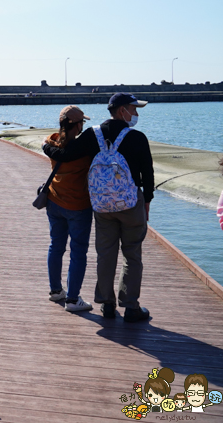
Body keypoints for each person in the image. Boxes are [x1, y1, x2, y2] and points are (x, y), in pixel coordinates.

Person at [42, 93, 154, 322]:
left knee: (106, 254)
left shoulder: (93, 134)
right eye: (134, 109)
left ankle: (107, 304)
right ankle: (131, 307)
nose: (136, 113)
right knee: (131, 254)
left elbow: (65, 154)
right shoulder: (138, 137)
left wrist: (45, 146)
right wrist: (148, 202)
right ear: (122, 110)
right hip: (131, 204)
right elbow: (148, 175)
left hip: (102, 206)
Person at [43, 106, 94, 312]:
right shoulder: (84, 148)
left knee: (56, 246)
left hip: (54, 200)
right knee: (78, 252)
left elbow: (51, 148)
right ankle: (73, 300)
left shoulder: (50, 141)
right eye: (82, 122)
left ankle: (56, 292)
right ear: (78, 125)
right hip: (78, 205)